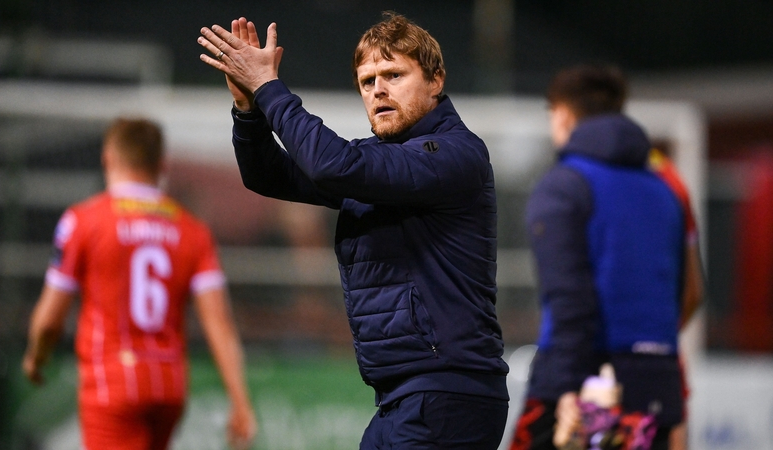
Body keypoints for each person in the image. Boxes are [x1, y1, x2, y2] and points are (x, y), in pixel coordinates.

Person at [197, 11, 510, 449]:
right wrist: (248, 108)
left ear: (436, 81)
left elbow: (333, 165)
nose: (378, 89)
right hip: (405, 399)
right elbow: (269, 176)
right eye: (367, 81)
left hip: (447, 396)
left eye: (394, 74)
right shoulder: (375, 165)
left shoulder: (455, 154)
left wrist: (270, 88)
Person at [22, 117, 257, 450]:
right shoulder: (193, 231)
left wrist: (36, 357)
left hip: (112, 381)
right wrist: (239, 399)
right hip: (169, 385)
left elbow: (49, 321)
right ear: (161, 165)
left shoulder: (83, 221)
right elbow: (219, 324)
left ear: (108, 158)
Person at [509, 64, 704, 450]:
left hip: (580, 389)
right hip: (657, 390)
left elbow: (569, 299)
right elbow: (690, 293)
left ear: (562, 113)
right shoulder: (666, 191)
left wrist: (566, 388)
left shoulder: (563, 187)